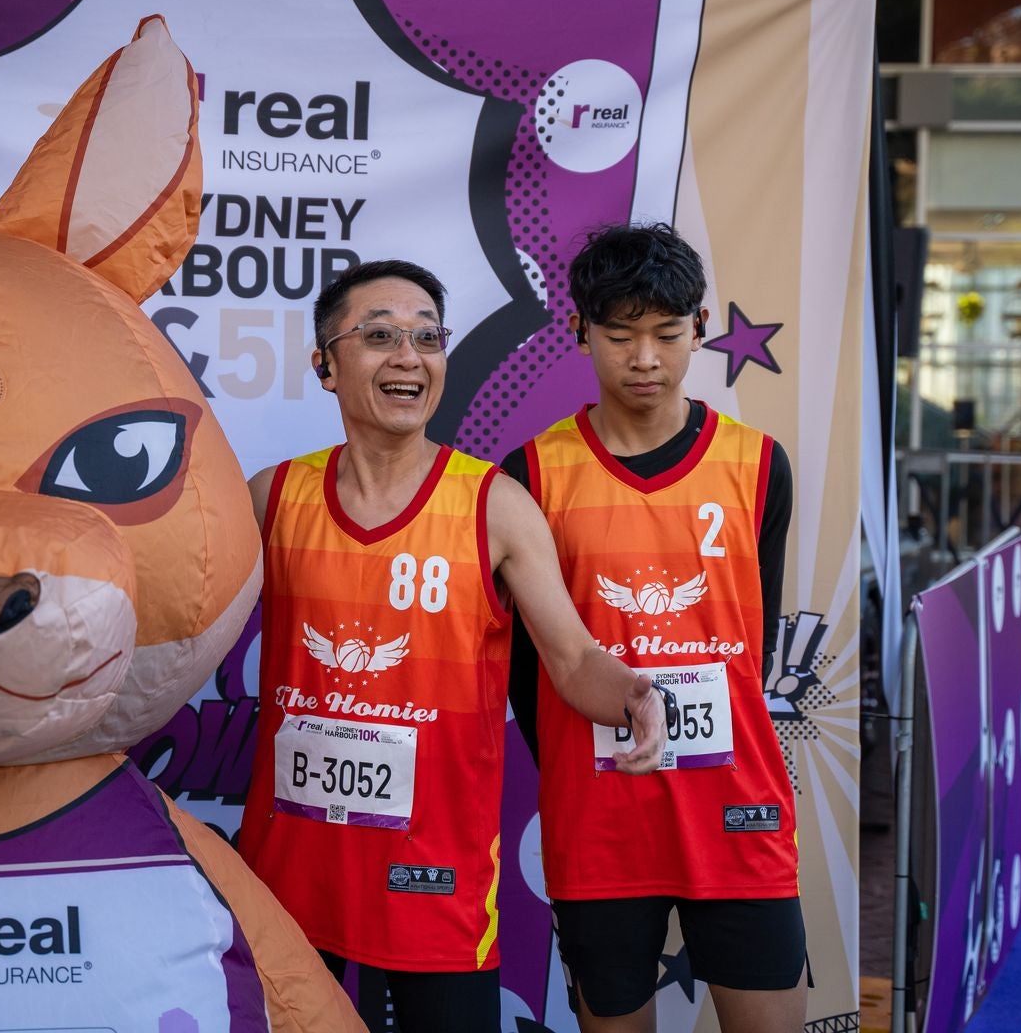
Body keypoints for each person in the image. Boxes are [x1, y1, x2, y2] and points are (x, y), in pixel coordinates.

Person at [240, 259, 667, 1033]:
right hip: (291, 872)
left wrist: (635, 695)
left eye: (427, 338)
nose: (409, 356)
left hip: (432, 879)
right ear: (325, 366)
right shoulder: (272, 497)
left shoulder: (495, 505)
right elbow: (187, 621)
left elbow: (573, 660)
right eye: (379, 337)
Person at [502, 223, 806, 1033]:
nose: (645, 359)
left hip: (736, 808)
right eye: (620, 337)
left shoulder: (758, 464)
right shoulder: (531, 475)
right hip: (599, 819)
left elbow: (754, 647)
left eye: (668, 335)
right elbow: (530, 669)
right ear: (580, 332)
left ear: (700, 328)